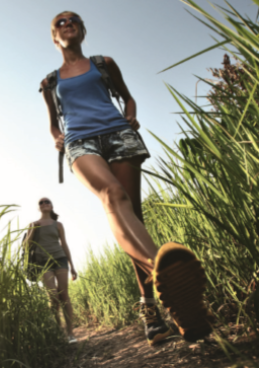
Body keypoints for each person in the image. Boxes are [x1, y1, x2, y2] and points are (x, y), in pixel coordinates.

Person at [39, 11, 212, 345]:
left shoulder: (104, 63)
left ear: (82, 30)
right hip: (81, 143)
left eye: (73, 19)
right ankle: (163, 274)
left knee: (133, 214)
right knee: (112, 195)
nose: (67, 23)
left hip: (119, 135)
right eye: (59, 22)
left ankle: (154, 310)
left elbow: (127, 96)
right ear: (54, 37)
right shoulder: (50, 82)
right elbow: (52, 123)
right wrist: (56, 137)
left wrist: (131, 115)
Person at [25, 197, 78, 344]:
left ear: (51, 206)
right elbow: (26, 245)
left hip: (60, 259)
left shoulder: (58, 224)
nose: (44, 204)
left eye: (46, 201)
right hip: (42, 262)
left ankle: (70, 333)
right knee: (53, 296)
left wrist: (72, 266)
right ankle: (57, 329)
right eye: (40, 203)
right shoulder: (33, 224)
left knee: (64, 294)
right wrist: (33, 231)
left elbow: (64, 244)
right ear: (38, 208)